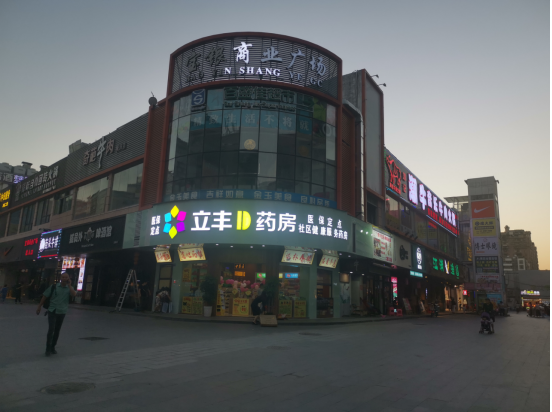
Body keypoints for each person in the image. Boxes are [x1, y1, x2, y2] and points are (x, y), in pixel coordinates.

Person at [36, 273, 76, 356]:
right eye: (63, 277)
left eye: (66, 277)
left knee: (57, 330)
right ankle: (48, 348)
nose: (64, 278)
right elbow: (45, 296)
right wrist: (39, 306)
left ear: (68, 279)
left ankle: (53, 347)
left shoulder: (69, 288)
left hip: (62, 311)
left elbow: (74, 294)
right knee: (51, 329)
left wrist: (69, 285)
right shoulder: (54, 287)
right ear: (60, 278)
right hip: (52, 310)